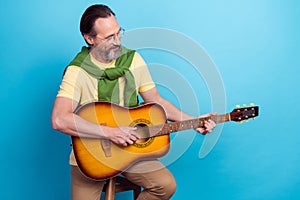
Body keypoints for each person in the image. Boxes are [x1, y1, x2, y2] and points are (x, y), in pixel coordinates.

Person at [52, 4, 216, 200]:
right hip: (90, 156)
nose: (117, 41)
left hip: (130, 148)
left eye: (118, 33)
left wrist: (194, 121)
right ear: (90, 39)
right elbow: (60, 119)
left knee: (166, 186)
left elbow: (155, 100)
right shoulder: (77, 71)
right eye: (109, 37)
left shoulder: (133, 60)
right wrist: (110, 132)